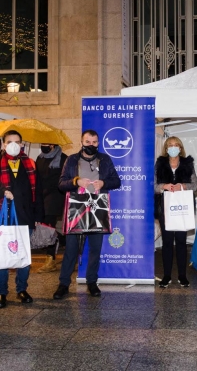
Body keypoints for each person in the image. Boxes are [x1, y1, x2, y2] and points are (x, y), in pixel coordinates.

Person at [53, 130, 120, 299]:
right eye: (88, 141)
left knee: (95, 249)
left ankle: (92, 282)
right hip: (76, 207)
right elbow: (61, 184)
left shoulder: (105, 159)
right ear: (81, 142)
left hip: (98, 207)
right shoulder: (71, 160)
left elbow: (117, 181)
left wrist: (104, 182)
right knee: (71, 249)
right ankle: (63, 284)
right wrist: (76, 181)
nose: (91, 145)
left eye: (95, 142)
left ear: (98, 143)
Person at [0, 130, 44, 309]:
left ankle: (22, 289)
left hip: (26, 217)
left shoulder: (30, 164)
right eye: (10, 141)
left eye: (17, 142)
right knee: (2, 257)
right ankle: (2, 292)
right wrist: (3, 191)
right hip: (3, 217)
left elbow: (38, 192)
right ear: (3, 144)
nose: (13, 144)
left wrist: (38, 217)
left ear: (22, 144)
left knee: (24, 256)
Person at [154, 136, 197, 288]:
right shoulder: (159, 164)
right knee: (167, 242)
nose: (173, 147)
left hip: (182, 209)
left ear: (180, 147)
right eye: (170, 145)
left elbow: (195, 185)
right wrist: (163, 186)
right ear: (166, 149)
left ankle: (182, 276)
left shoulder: (188, 164)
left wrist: (183, 186)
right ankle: (166, 276)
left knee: (181, 242)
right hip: (164, 209)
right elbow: (153, 185)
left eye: (176, 145)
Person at [35, 143, 68, 273]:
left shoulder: (63, 158)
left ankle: (50, 260)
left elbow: (63, 178)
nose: (44, 146)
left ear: (53, 145)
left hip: (55, 196)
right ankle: (66, 240)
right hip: (42, 196)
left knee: (48, 225)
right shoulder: (40, 158)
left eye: (46, 144)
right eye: (42, 143)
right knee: (45, 226)